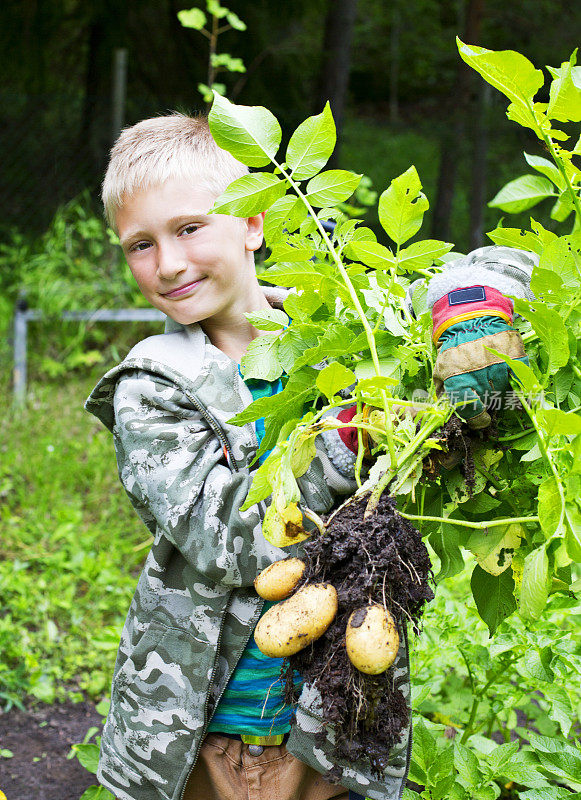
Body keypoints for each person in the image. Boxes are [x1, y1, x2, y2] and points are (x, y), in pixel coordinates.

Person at [85, 112, 535, 800]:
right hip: (201, 733)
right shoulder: (151, 387)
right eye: (139, 245)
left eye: (188, 228)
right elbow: (231, 536)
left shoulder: (350, 334)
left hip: (330, 726)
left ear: (253, 224)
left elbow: (499, 273)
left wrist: (471, 303)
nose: (167, 263)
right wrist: (349, 435)